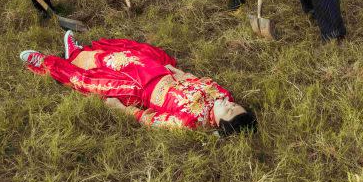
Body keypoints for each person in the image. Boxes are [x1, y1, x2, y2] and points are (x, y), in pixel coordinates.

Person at [20, 32, 257, 136]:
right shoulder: (221, 94)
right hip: (160, 74)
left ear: (219, 125)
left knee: (94, 84)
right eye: (233, 103)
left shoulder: (189, 122)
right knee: (119, 57)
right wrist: (177, 72)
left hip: (141, 91)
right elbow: (194, 80)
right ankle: (76, 52)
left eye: (227, 109)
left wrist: (123, 109)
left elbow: (151, 120)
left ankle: (48, 64)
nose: (226, 101)